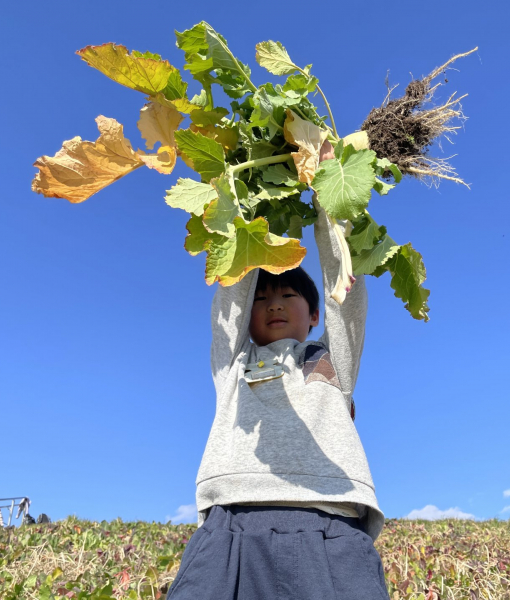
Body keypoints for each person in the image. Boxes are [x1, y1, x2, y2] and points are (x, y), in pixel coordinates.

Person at [166, 144, 389, 600]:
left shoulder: (331, 362)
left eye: (288, 295)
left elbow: (345, 302)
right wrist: (249, 201)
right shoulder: (233, 364)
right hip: (233, 522)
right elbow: (230, 302)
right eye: (264, 298)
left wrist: (332, 204)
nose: (274, 304)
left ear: (312, 316)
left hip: (330, 523)